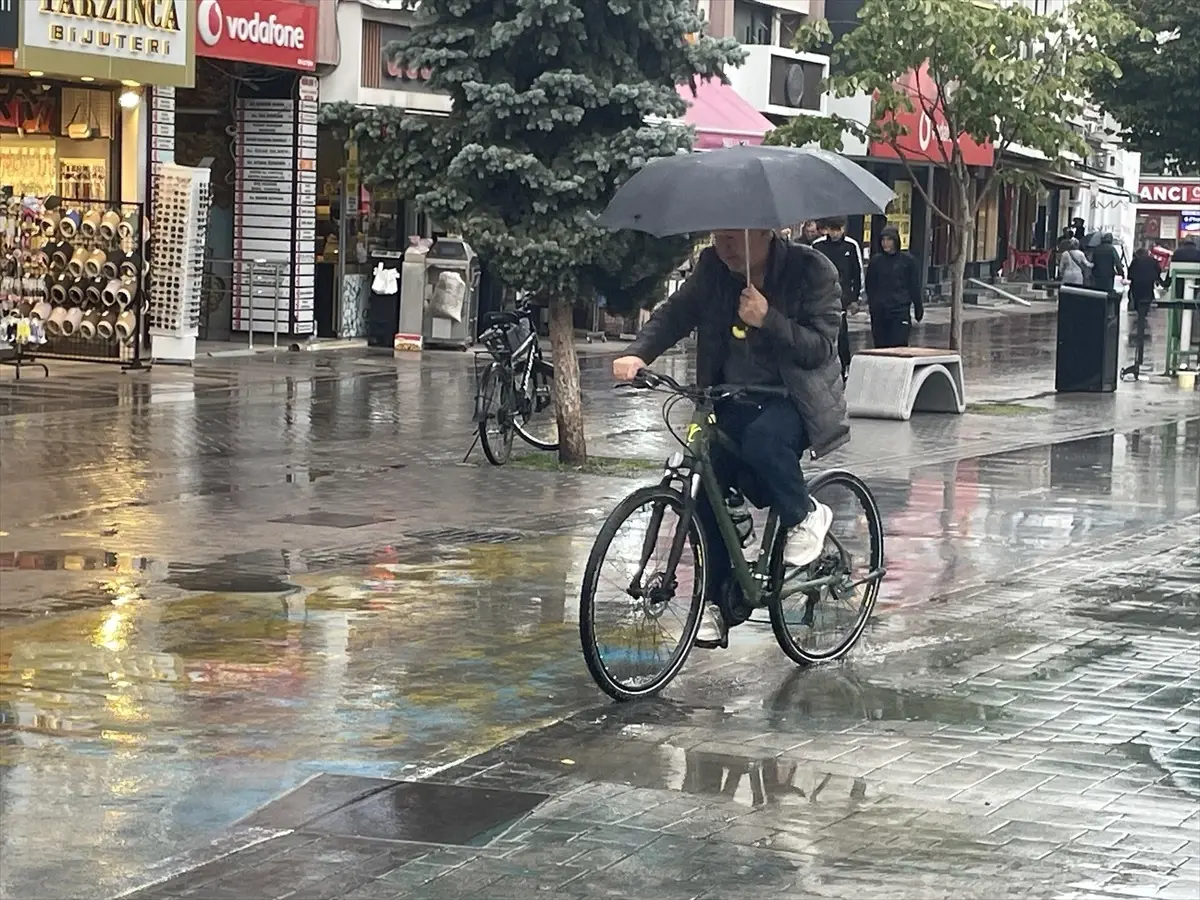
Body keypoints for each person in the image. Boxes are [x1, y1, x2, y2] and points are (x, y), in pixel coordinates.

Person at [612, 229, 846, 646]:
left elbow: (821, 350)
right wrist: (639, 352)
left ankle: (804, 515)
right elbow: (677, 313)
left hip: (792, 400)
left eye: (735, 237)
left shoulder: (812, 270)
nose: (726, 246)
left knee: (762, 441)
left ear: (766, 233)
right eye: (720, 237)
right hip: (726, 399)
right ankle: (718, 603)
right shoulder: (711, 269)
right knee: (702, 485)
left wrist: (768, 319)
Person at [812, 217, 864, 380]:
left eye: (838, 228)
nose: (835, 233)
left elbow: (857, 272)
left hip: (842, 297)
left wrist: (856, 297)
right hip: (821, 296)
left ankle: (843, 365)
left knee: (841, 333)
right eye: (832, 229)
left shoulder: (851, 245)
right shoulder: (818, 245)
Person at [864, 225, 923, 348]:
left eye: (889, 240)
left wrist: (918, 307)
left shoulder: (908, 261)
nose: (885, 243)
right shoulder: (876, 261)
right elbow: (870, 285)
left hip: (899, 311)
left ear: (896, 241)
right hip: (880, 312)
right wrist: (872, 305)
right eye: (883, 240)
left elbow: (914, 286)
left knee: (899, 346)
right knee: (881, 347)